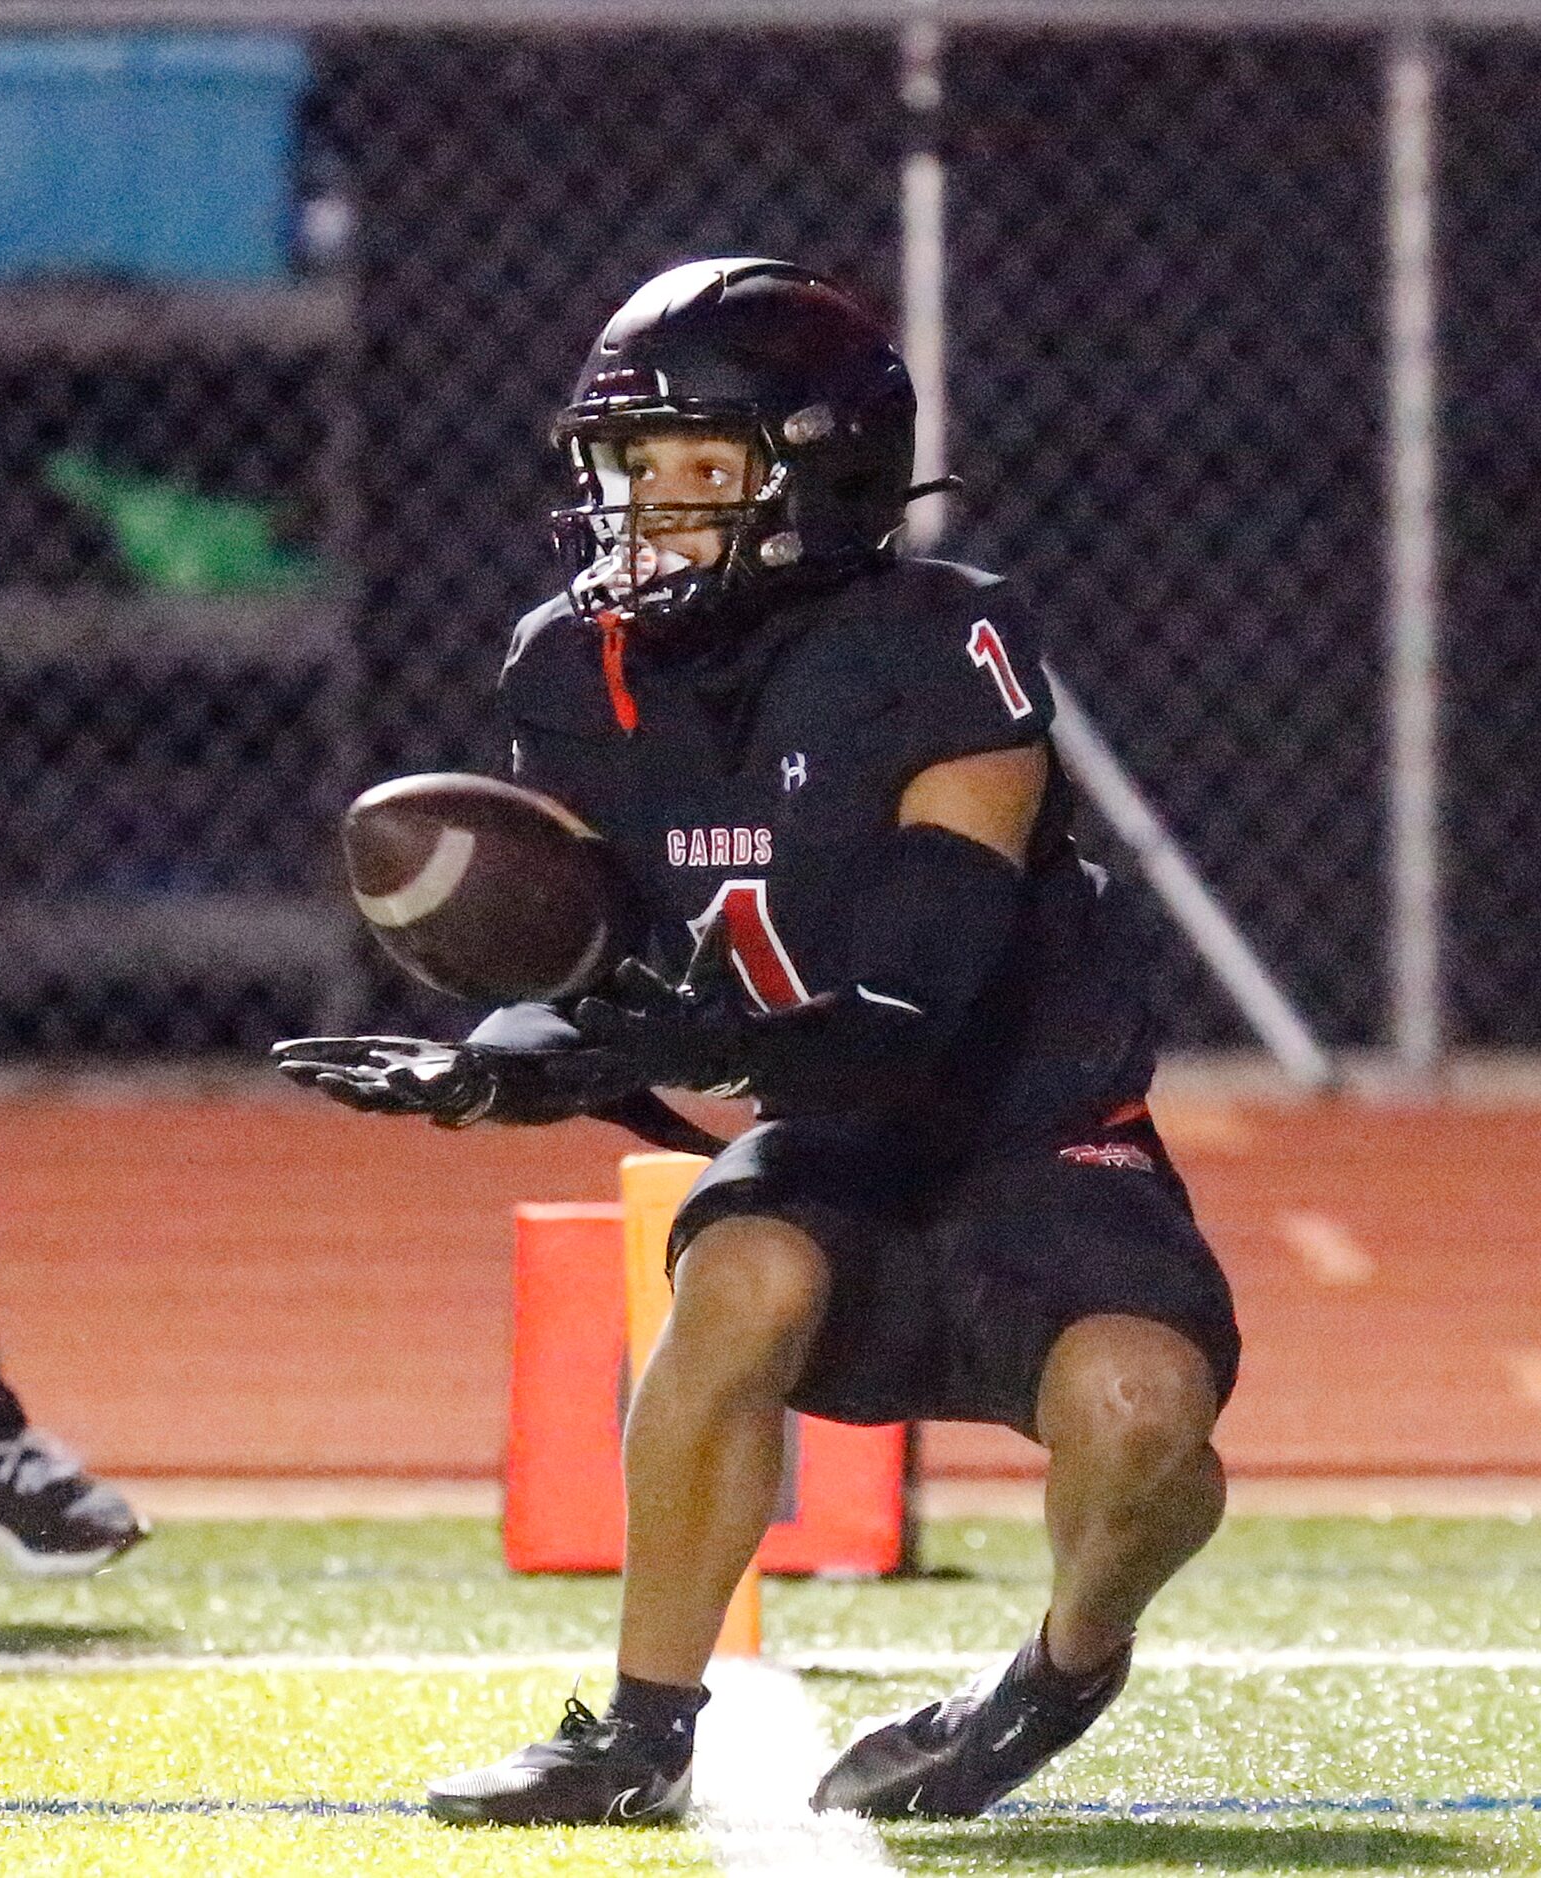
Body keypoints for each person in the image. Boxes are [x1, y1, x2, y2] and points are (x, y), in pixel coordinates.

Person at [276, 258, 1240, 1826]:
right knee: (742, 1278)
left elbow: (914, 990)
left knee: (1142, 1419)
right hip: (829, 1139)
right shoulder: (572, 663)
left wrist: (652, 1038)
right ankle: (639, 1732)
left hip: (1023, 1127)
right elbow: (578, 951)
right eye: (633, 469)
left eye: (704, 470)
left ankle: (1057, 1670)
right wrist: (495, 1062)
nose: (652, 509)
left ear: (827, 471)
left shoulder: (946, 638)